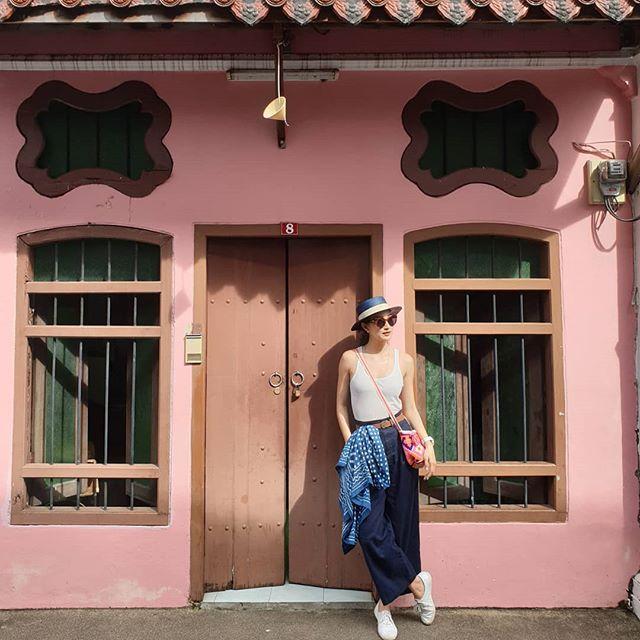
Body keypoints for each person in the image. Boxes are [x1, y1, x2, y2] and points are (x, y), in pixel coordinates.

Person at [336, 296, 437, 640]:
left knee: (402, 524)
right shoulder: (350, 359)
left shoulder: (403, 360)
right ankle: (419, 586)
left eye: (390, 319)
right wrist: (351, 443)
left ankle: (384, 607)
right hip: (365, 443)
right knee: (369, 527)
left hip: (398, 440)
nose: (387, 325)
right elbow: (340, 408)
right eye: (379, 321)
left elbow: (410, 407)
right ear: (365, 326)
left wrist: (428, 444)